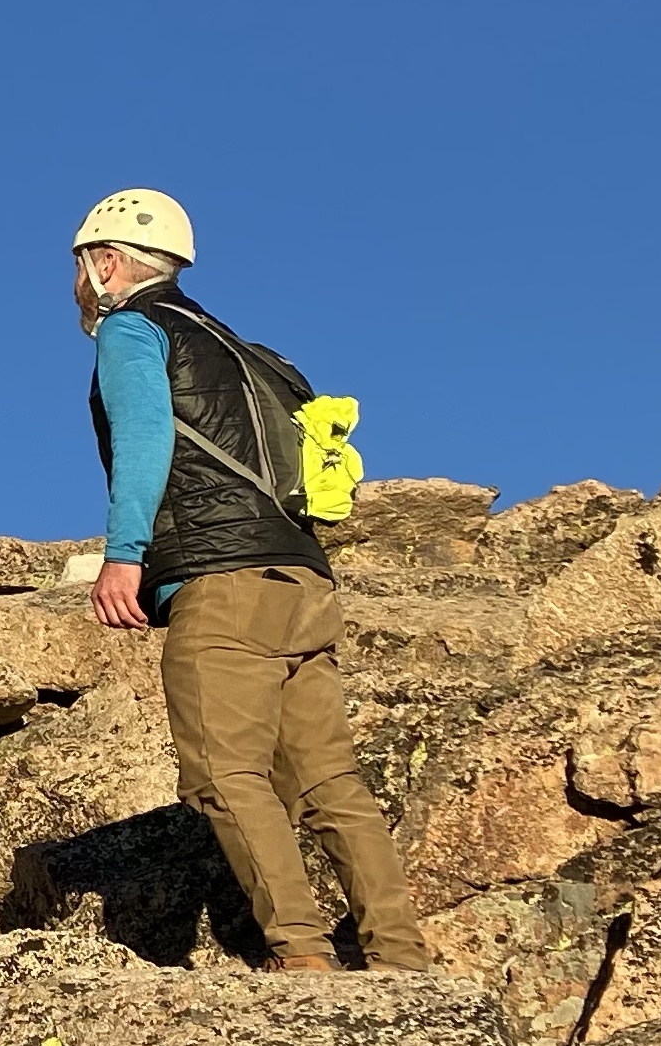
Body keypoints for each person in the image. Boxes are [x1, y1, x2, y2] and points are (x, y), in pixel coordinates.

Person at [74, 188, 434, 974]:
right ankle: (401, 955)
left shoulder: (133, 329)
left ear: (106, 263)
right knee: (329, 780)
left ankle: (302, 954)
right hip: (302, 580)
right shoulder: (252, 353)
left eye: (79, 265)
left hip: (222, 581)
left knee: (224, 776)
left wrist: (125, 553)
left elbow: (144, 434)